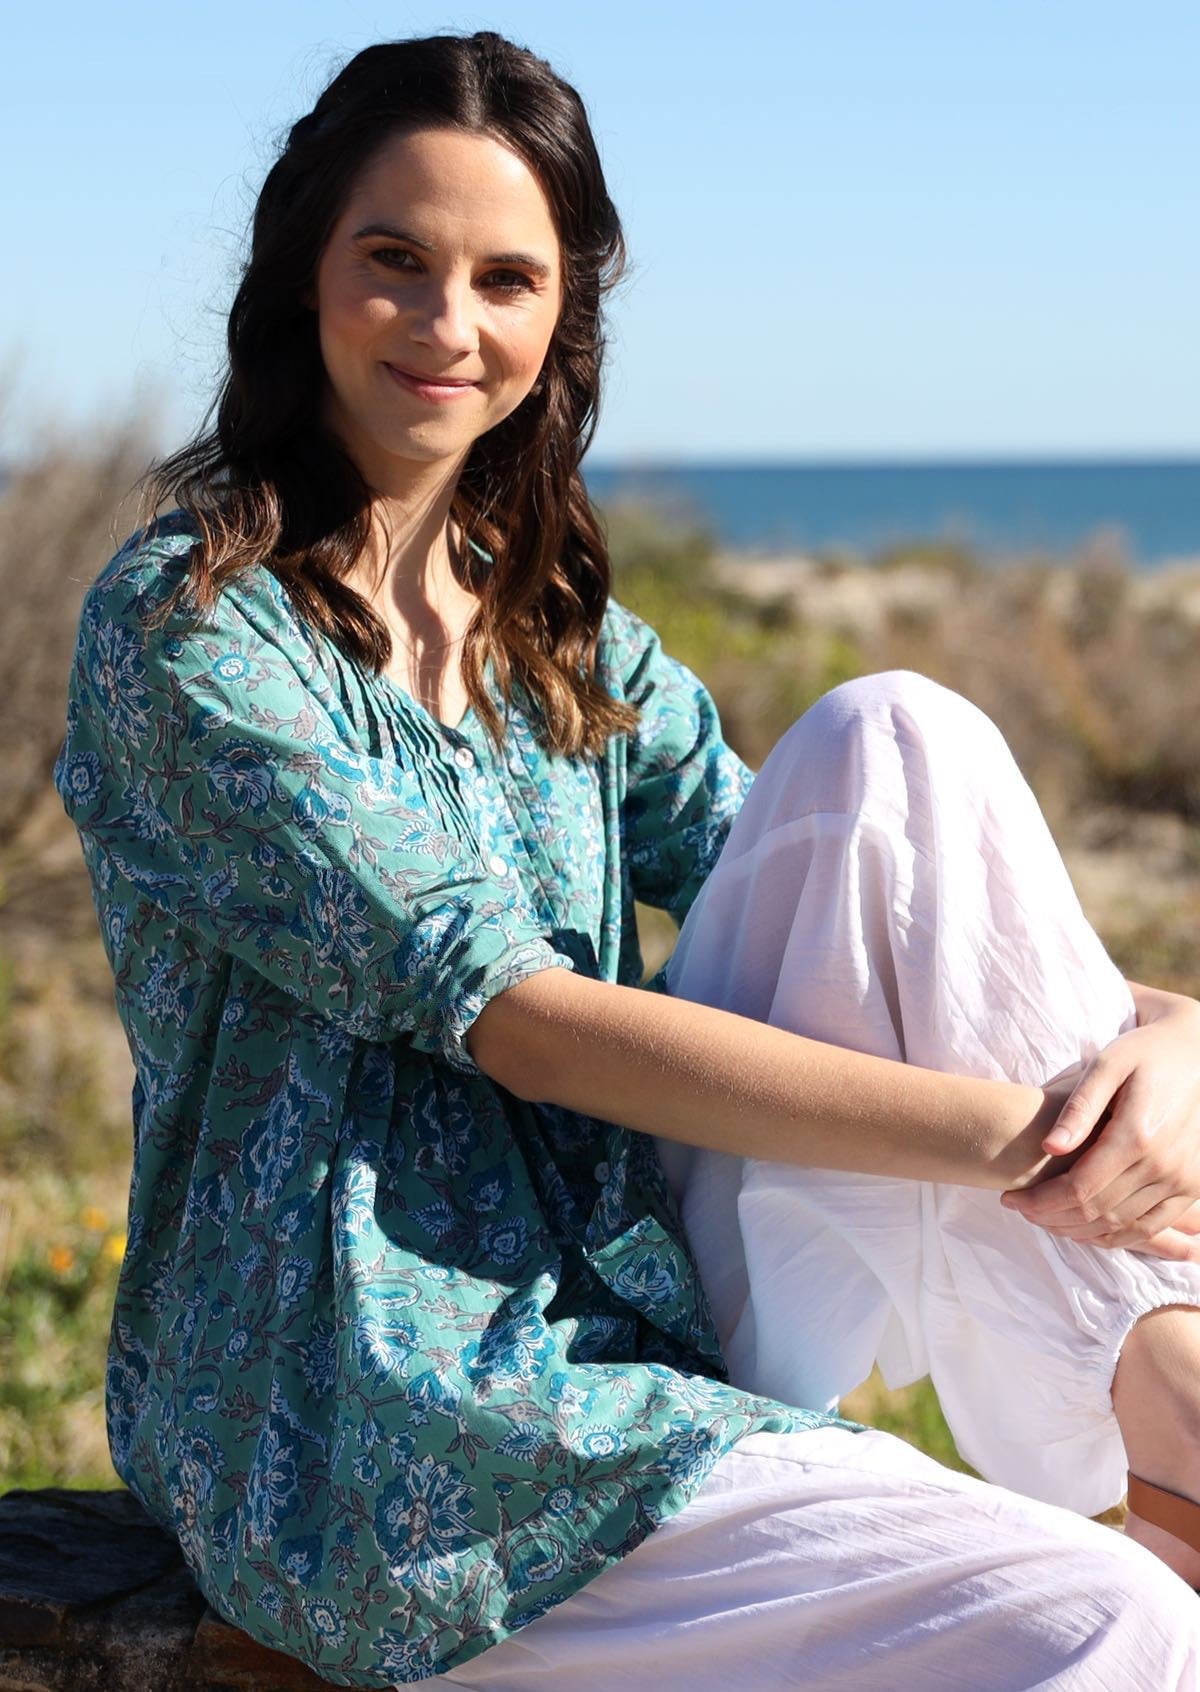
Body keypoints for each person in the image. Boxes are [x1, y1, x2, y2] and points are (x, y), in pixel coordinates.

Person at [52, 29, 1200, 1691]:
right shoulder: (194, 632)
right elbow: (513, 1014)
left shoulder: (549, 622)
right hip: (378, 1418)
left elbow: (888, 906)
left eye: (506, 280)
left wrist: (1171, 1038)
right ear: (303, 274)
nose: (452, 327)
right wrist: (1033, 1142)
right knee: (1112, 1623)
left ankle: (1166, 1391)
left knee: (898, 740)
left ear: (558, 317)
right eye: (396, 263)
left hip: (629, 1289)